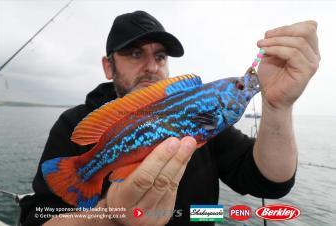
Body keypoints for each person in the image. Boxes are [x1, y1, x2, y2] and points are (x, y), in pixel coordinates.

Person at [20, 10, 320, 226]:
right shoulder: (73, 124)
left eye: (161, 56)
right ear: (108, 67)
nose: (152, 66)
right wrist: (109, 216)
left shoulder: (210, 123)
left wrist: (278, 107)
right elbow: (36, 218)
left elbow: (270, 183)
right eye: (135, 54)